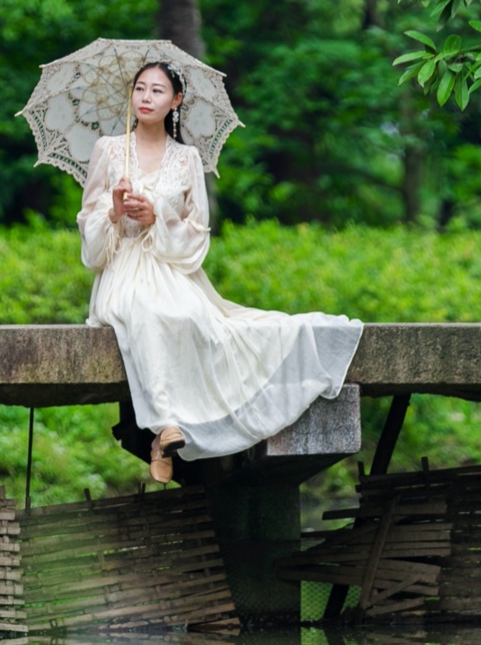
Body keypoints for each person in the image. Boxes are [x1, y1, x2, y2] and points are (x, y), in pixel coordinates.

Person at [77, 62, 363, 482]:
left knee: (197, 320)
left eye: (157, 91)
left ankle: (166, 442)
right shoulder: (109, 150)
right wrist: (116, 212)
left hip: (172, 269)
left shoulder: (187, 158)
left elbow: (196, 236)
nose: (146, 98)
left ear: (176, 101)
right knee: (144, 311)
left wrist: (158, 217)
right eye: (139, 89)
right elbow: (89, 231)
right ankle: (164, 425)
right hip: (125, 269)